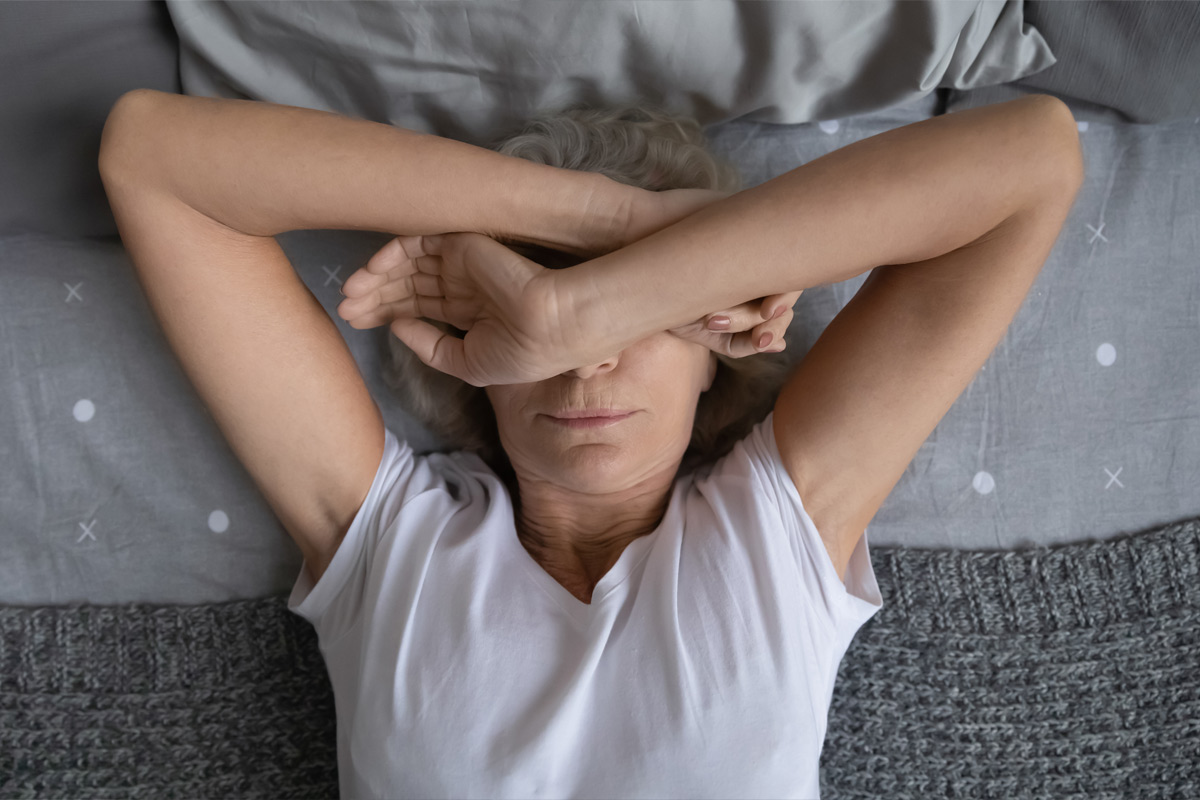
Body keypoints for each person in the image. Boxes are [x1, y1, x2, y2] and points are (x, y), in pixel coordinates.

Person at [98, 89, 1082, 799]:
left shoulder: (778, 532)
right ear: (474, 367)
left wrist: (581, 301)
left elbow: (1033, 155)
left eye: (645, 312)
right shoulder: (387, 550)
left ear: (717, 360)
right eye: (536, 318)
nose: (587, 363)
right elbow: (152, 155)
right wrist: (613, 223)